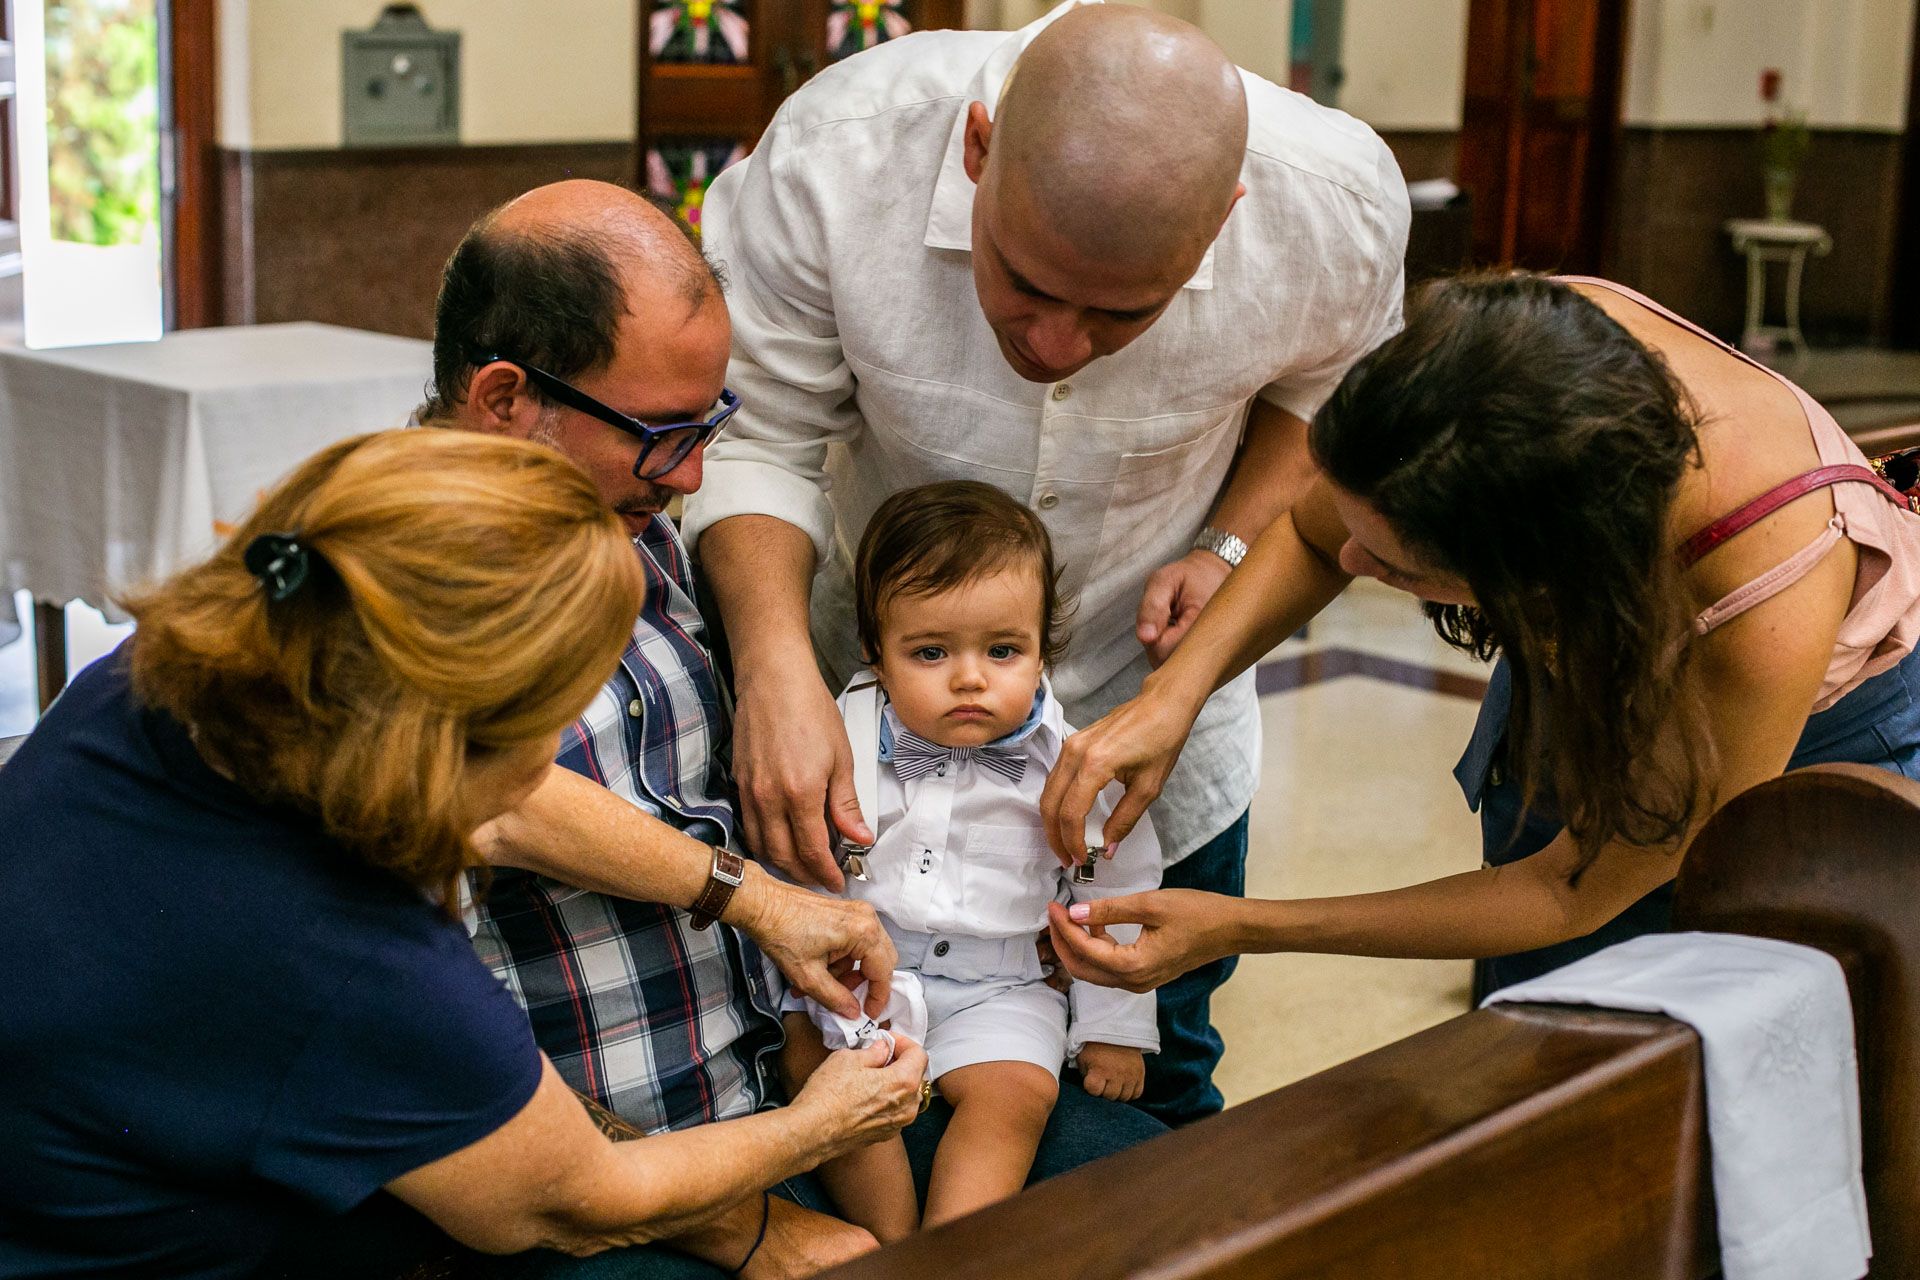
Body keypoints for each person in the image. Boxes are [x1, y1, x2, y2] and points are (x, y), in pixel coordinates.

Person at [682, 0, 1410, 1126]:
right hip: (857, 728)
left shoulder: (1334, 205)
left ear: (1226, 218)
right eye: (1023, 283)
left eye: (1123, 312)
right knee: (841, 1089)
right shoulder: (841, 157)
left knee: (1153, 1100)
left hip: (1156, 729)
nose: (1059, 345)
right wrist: (775, 667)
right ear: (977, 149)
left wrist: (1226, 547)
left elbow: (1328, 403)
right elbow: (758, 435)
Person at [420, 180, 1166, 1276]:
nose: (692, 474)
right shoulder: (395, 611)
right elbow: (457, 1081)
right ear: (503, 399)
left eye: (708, 425)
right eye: (662, 434)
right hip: (636, 1169)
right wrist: (757, 1221)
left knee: (1175, 1199)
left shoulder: (628, 526)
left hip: (783, 1080)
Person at [0, 429, 926, 1279]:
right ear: (452, 748)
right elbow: (584, 1197)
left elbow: (508, 804)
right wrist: (821, 1125)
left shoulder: (182, 674)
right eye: (555, 722)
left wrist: (754, 897)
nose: (549, 759)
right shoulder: (359, 963)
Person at [1038, 272, 1920, 1001]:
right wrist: (1174, 697)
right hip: (1606, 651)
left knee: (1668, 1032)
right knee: (1530, 1008)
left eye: (1393, 568)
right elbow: (1312, 532)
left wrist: (1246, 925)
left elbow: (1565, 890)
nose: (1351, 560)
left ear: (1533, 583)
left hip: (1812, 753)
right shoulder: (1513, 361)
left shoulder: (1768, 593)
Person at [781, 482, 1160, 1241]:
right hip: (859, 978)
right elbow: (791, 860)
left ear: (1043, 649)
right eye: (930, 652)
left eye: (1003, 651)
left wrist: (1115, 1024)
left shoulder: (1073, 766)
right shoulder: (831, 740)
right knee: (825, 1078)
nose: (970, 678)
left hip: (1004, 985)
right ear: (875, 650)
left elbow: (1116, 889)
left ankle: (952, 1255)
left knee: (1016, 1097)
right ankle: (892, 1246)